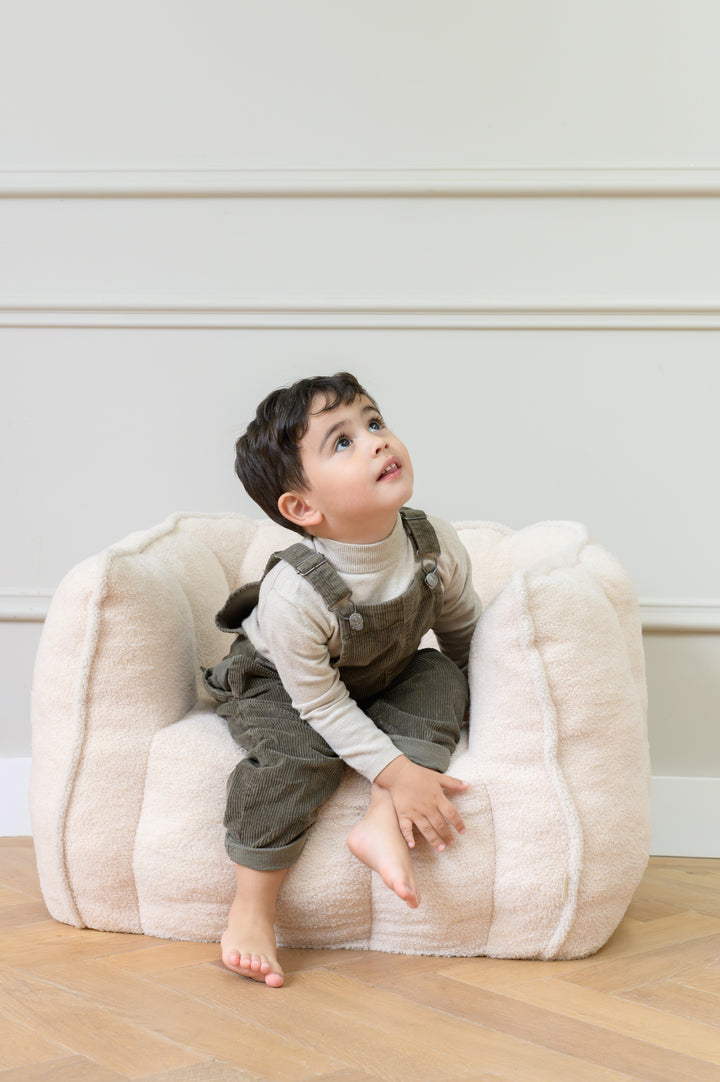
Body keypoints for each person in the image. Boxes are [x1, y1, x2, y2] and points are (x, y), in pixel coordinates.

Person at [204, 372, 482, 986]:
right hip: (283, 687)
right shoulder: (296, 594)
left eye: (375, 422)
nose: (377, 442)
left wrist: (478, 704)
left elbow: (467, 640)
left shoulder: (435, 544)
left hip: (376, 672)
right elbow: (322, 707)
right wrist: (401, 769)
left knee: (437, 674)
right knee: (297, 757)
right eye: (343, 442)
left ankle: (381, 818)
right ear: (304, 508)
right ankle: (252, 906)